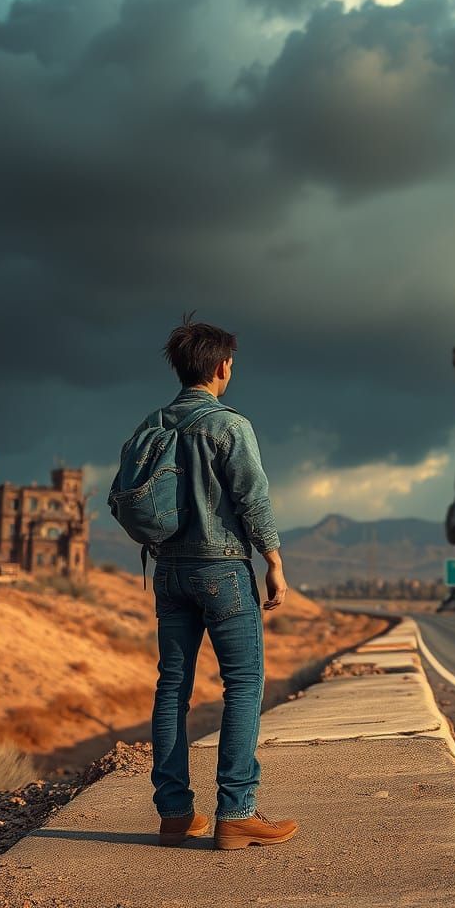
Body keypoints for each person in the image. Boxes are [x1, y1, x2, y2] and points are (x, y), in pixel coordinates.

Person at [147, 313, 298, 850]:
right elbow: (252, 497)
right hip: (222, 570)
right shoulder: (229, 425)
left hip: (167, 571)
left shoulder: (153, 424)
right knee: (243, 686)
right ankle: (236, 812)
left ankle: (173, 813)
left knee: (172, 689)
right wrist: (274, 561)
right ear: (221, 367)